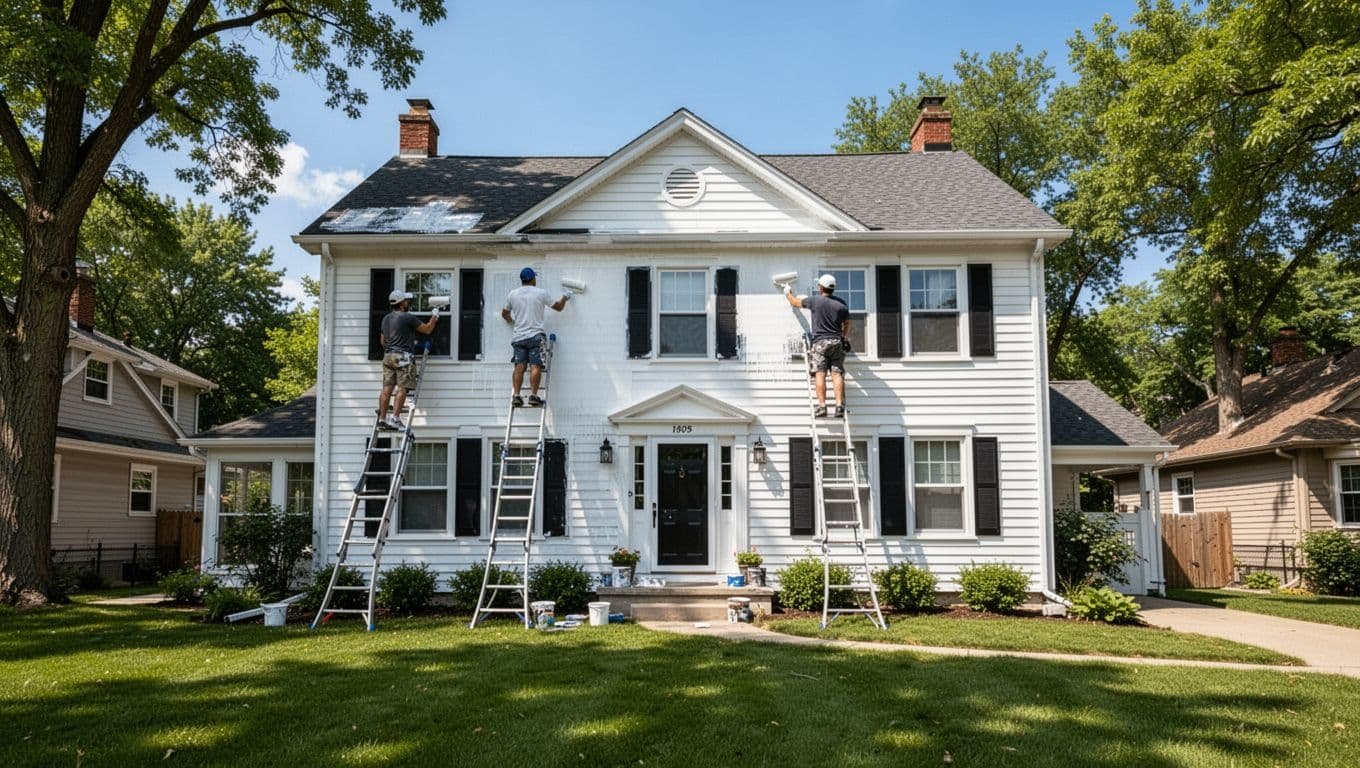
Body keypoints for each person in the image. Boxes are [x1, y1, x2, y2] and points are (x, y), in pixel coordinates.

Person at [784, 274, 851, 418]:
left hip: (820, 343)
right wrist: (844, 338)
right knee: (837, 374)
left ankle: (822, 407)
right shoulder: (842, 304)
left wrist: (787, 293)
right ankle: (839, 407)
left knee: (820, 374)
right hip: (836, 342)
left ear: (821, 287)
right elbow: (847, 324)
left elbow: (795, 303)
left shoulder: (815, 301)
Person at [502, 267, 569, 406]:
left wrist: (510, 320)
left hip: (519, 337)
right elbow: (558, 307)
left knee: (519, 366)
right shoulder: (541, 293)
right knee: (535, 365)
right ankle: (533, 395)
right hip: (535, 336)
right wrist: (565, 297)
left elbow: (505, 313)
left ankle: (516, 395)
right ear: (533, 279)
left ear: (522, 280)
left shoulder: (512, 294)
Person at [377, 289, 440, 430]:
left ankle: (382, 419)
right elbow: (427, 329)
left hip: (387, 357)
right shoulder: (407, 317)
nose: (407, 303)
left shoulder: (386, 319)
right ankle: (395, 418)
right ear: (401, 303)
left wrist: (393, 347)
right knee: (403, 388)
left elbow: (383, 341)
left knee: (387, 388)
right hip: (403, 357)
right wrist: (434, 316)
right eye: (406, 301)